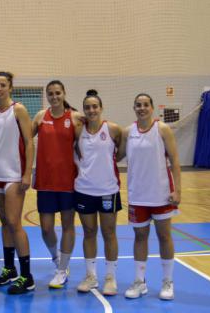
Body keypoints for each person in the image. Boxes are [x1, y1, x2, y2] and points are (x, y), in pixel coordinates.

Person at [117, 93, 181, 301]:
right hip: (137, 195)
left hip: (161, 194)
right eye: (138, 105)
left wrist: (177, 189)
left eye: (145, 105)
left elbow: (175, 159)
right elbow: (114, 156)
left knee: (164, 237)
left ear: (152, 108)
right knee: (140, 237)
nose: (142, 108)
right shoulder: (128, 132)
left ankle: (167, 282)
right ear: (134, 108)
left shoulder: (162, 129)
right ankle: (139, 282)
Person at [0, 71, 35, 295]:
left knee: (15, 223)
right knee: (5, 222)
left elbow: (29, 141)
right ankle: (9, 269)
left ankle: (27, 276)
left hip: (13, 175)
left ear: (10, 87)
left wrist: (27, 173)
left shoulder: (19, 109)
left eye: (2, 84)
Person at [31, 80, 82, 289]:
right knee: (46, 228)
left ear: (64, 93)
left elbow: (86, 145)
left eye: (58, 93)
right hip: (45, 181)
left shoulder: (76, 118)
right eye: (50, 94)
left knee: (68, 225)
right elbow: (24, 138)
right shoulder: (41, 116)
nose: (54, 97)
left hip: (68, 182)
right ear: (47, 96)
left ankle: (62, 270)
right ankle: (56, 259)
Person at [74, 89, 122, 295]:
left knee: (109, 232)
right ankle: (91, 275)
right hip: (84, 189)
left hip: (107, 190)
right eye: (87, 107)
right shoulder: (78, 131)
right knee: (89, 232)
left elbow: (121, 151)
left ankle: (110, 277)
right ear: (83, 110)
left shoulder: (112, 129)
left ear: (101, 108)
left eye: (95, 106)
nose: (92, 110)